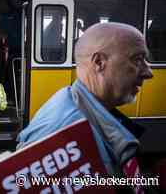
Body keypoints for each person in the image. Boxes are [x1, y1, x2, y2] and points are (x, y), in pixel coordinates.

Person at [17, 22, 153, 192]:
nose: (149, 73)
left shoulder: (73, 103)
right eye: (138, 59)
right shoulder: (66, 135)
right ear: (99, 62)